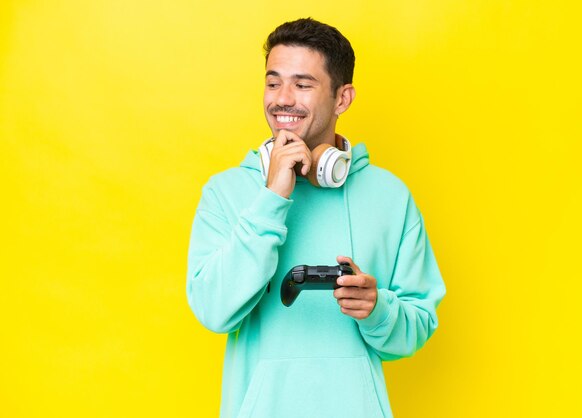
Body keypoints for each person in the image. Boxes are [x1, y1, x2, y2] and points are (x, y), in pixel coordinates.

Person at [187, 18, 446, 418]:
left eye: (303, 85)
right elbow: (214, 311)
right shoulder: (226, 192)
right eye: (273, 83)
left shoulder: (391, 197)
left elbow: (417, 326)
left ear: (342, 99)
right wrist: (272, 197)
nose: (282, 99)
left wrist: (378, 309)